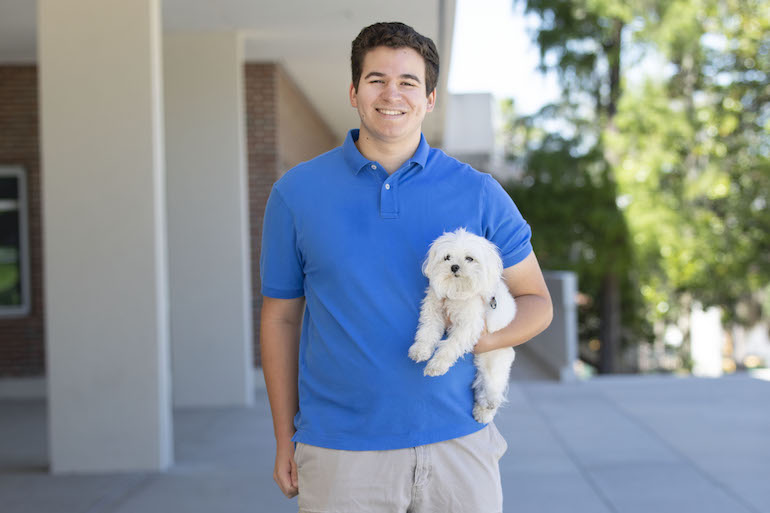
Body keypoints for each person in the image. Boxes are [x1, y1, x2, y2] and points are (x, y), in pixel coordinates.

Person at [260, 21, 553, 513]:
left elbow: (537, 302)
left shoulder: (478, 191)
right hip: (340, 452)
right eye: (376, 79)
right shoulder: (296, 193)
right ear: (354, 91)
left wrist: (474, 336)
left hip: (459, 444)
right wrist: (282, 437)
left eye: (408, 82)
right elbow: (280, 318)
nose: (391, 94)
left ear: (430, 98)